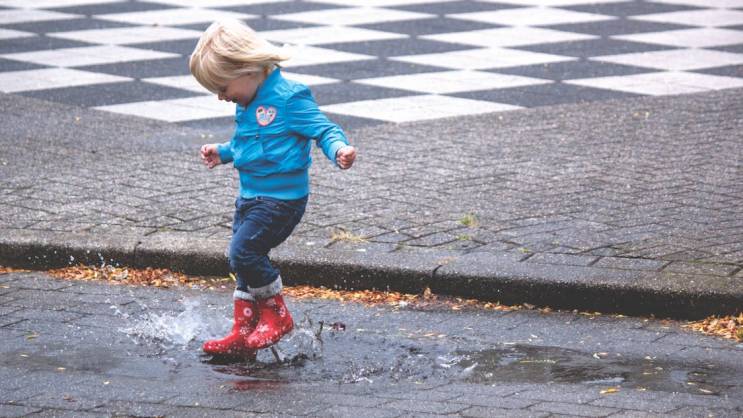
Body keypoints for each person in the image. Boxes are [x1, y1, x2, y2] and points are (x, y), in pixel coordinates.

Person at [189, 19, 357, 358]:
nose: (221, 97)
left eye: (222, 87)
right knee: (242, 261)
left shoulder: (289, 97)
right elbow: (248, 143)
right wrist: (223, 152)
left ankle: (277, 316)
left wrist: (339, 149)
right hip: (250, 198)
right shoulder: (247, 102)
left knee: (243, 252)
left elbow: (324, 129)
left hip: (281, 201)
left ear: (248, 69)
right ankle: (244, 330)